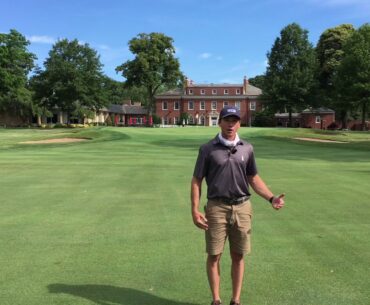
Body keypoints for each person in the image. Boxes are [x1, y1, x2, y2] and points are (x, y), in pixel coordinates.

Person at [190, 105, 285, 305]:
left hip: (242, 207)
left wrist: (271, 197)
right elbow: (197, 180)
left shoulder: (247, 148)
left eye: (234, 120)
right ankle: (216, 300)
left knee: (238, 255)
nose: (230, 124)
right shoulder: (207, 149)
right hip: (216, 207)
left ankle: (236, 300)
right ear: (220, 122)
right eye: (227, 120)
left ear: (239, 123)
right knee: (214, 255)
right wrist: (195, 210)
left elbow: (253, 177)